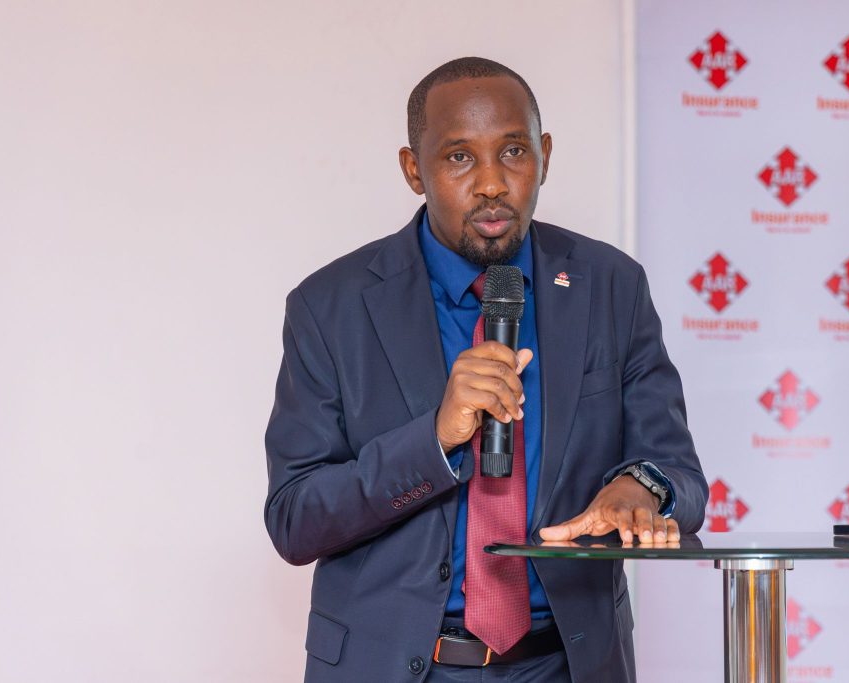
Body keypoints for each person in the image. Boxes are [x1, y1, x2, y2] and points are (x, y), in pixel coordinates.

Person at [264, 57, 707, 683]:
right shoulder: (330, 307)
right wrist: (434, 439)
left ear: (545, 157)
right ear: (413, 169)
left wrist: (641, 490)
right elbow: (294, 520)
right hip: (394, 667)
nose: (493, 183)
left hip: (567, 664)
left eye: (514, 152)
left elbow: (679, 473)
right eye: (459, 158)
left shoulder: (612, 287)